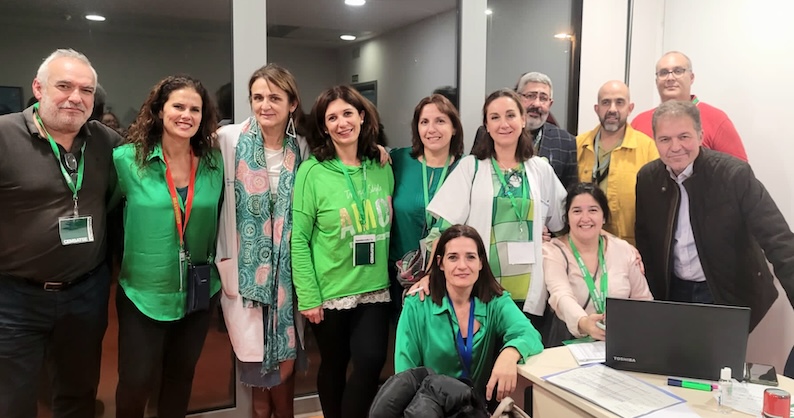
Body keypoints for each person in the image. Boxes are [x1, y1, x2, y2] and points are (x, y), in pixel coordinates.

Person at [0, 48, 120, 418]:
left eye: (86, 90)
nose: (75, 97)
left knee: (79, 395)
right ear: (38, 88)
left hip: (85, 292)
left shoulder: (106, 142)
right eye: (64, 86)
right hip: (14, 298)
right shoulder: (4, 136)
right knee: (13, 400)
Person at [111, 74, 223, 418]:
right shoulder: (126, 160)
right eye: (178, 106)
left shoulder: (214, 163)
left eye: (195, 109)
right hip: (143, 292)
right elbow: (106, 214)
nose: (186, 115)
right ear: (160, 110)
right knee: (135, 382)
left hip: (198, 291)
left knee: (180, 378)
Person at [635, 100, 794, 332]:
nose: (675, 147)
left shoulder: (734, 175)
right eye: (665, 139)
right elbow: (645, 241)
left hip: (724, 292)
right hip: (673, 292)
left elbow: (778, 241)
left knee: (720, 355)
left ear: (700, 136)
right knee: (676, 353)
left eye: (684, 137)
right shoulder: (647, 178)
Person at [415, 89, 566, 324]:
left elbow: (562, 222)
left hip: (529, 289)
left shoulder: (540, 169)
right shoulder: (471, 167)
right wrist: (429, 275)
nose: (503, 124)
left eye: (510, 115)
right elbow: (444, 230)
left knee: (525, 344)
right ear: (486, 124)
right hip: (482, 286)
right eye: (495, 117)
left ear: (523, 119)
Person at [291, 85, 394, 418]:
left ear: (362, 116)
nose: (341, 123)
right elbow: (299, 238)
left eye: (348, 113)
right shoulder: (312, 172)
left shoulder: (381, 165)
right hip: (330, 291)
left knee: (371, 361)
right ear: (323, 127)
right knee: (334, 365)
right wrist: (308, 296)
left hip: (374, 288)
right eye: (332, 118)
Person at [215, 64, 310, 418]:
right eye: (257, 97)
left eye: (274, 97)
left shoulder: (304, 148)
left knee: (284, 375)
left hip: (287, 277)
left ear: (292, 103)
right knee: (256, 377)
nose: (264, 105)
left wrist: (379, 150)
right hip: (247, 277)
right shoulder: (228, 140)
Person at [396, 224, 543, 400]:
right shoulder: (417, 305)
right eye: (453, 258)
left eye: (470, 257)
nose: (462, 266)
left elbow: (529, 334)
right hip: (428, 407)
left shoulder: (495, 301)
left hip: (477, 407)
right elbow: (404, 375)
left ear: (480, 262)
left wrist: (510, 353)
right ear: (440, 263)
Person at [543, 183, 652, 343]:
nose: (585, 218)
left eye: (593, 210)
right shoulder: (553, 252)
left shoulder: (623, 249)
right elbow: (560, 295)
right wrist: (584, 323)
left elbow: (643, 301)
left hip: (621, 340)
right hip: (570, 342)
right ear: (567, 218)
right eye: (577, 211)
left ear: (604, 217)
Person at [389, 94, 464, 307]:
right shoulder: (398, 160)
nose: (431, 129)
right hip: (399, 274)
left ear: (454, 127)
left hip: (448, 275)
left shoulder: (467, 168)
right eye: (424, 122)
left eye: (440, 121)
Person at [575, 80, 658, 245]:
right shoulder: (578, 145)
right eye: (606, 102)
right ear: (597, 108)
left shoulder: (648, 148)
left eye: (619, 102)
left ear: (630, 108)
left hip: (630, 247)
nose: (612, 109)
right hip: (583, 243)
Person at [631, 51, 748, 161]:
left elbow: (738, 171)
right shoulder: (639, 122)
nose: (670, 78)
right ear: (656, 81)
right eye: (663, 73)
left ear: (691, 78)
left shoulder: (716, 119)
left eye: (678, 71)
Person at [472, 72, 577, 189]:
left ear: (550, 103)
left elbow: (570, 193)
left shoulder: (566, 142)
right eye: (530, 96)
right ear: (517, 98)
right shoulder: (489, 133)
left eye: (543, 98)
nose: (536, 104)